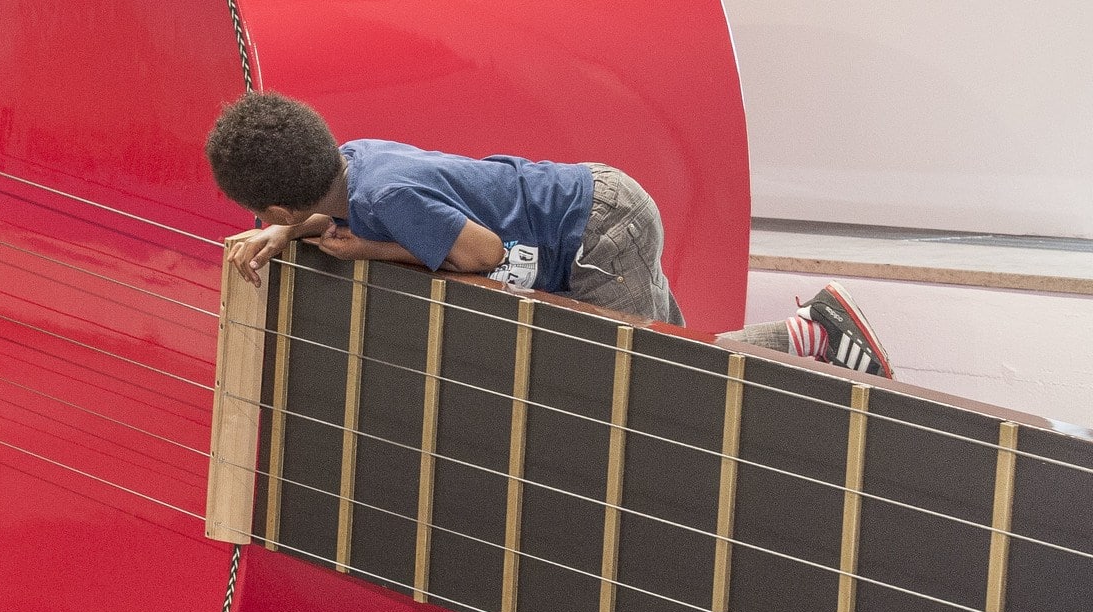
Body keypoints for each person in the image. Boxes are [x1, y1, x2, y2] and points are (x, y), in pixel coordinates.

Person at [205, 91, 891, 376]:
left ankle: (817, 333)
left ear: (279, 204)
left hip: (598, 228)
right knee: (682, 356)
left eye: (264, 218)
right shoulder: (352, 163)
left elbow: (485, 254)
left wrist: (370, 250)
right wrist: (290, 237)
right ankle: (811, 334)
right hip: (602, 199)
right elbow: (336, 214)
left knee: (648, 378)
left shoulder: (386, 199)